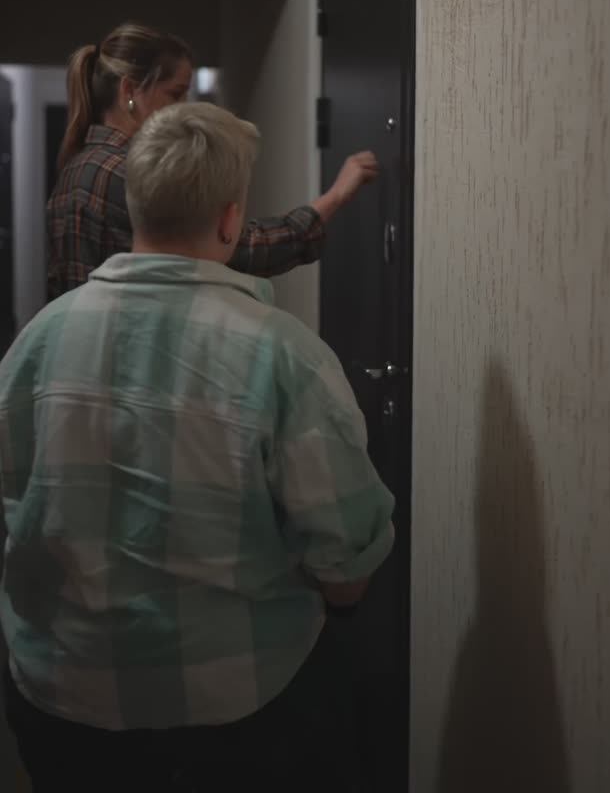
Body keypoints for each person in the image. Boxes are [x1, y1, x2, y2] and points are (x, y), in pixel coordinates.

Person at [0, 102, 394, 792]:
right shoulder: (285, 356)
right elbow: (347, 572)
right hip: (236, 709)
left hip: (63, 696)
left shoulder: (39, 339)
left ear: (135, 206)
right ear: (230, 219)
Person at [47, 22, 378, 298]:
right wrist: (335, 197)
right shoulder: (127, 173)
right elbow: (234, 246)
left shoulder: (77, 167)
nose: (183, 107)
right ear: (129, 91)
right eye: (175, 93)